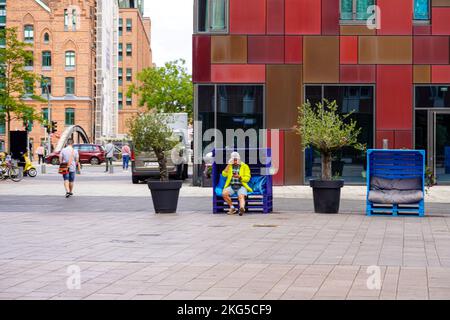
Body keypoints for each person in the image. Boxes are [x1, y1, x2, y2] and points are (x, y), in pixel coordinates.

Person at [221, 152, 252, 216]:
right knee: (224, 194)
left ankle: (242, 208)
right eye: (233, 160)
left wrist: (240, 177)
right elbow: (224, 174)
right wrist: (228, 164)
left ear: (239, 159)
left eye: (236, 159)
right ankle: (232, 208)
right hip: (231, 186)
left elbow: (247, 178)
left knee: (241, 196)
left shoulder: (244, 166)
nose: (235, 161)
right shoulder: (230, 166)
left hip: (241, 186)